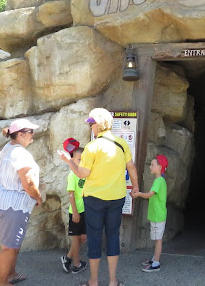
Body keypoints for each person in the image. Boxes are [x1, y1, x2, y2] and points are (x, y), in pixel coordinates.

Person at [58, 108, 139, 286]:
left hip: (94, 199)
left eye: (91, 123)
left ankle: (93, 282)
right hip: (117, 198)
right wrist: (135, 187)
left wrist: (69, 161)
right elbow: (131, 167)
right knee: (112, 236)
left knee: (94, 237)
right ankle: (112, 281)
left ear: (98, 125)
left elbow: (81, 174)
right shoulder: (121, 144)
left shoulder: (91, 147)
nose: (90, 127)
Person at [0, 118, 43, 286]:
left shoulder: (7, 148)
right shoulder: (20, 153)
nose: (33, 135)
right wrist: (38, 197)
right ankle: (1, 282)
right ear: (20, 135)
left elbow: (0, 170)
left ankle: (10, 274)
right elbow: (28, 182)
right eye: (30, 132)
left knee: (13, 244)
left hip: (3, 202)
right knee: (8, 247)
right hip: (12, 205)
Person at [132, 154, 168, 273]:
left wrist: (138, 194)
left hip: (158, 216)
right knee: (156, 238)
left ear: (160, 167)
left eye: (152, 165)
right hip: (156, 215)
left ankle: (156, 263)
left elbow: (149, 194)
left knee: (158, 240)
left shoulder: (159, 181)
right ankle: (154, 259)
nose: (150, 167)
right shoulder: (159, 180)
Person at [61, 138, 87, 274]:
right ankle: (76, 264)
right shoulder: (72, 175)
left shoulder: (85, 174)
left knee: (83, 237)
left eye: (83, 160)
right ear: (72, 160)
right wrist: (75, 212)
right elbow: (71, 195)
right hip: (76, 211)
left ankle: (68, 257)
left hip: (85, 211)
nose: (81, 162)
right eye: (78, 160)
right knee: (76, 238)